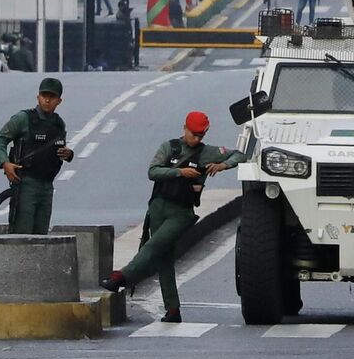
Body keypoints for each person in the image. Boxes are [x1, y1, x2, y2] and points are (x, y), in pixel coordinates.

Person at [102, 111, 246, 322]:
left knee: (154, 246)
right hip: (159, 207)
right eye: (193, 134)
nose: (196, 139)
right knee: (164, 260)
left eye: (200, 135)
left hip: (181, 212)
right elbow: (153, 171)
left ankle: (121, 277)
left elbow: (240, 155)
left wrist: (223, 165)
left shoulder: (207, 152)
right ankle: (173, 310)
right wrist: (179, 173)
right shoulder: (169, 148)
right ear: (184, 128)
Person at [0, 78, 74, 234]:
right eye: (44, 95)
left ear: (59, 100)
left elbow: (59, 149)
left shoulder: (59, 124)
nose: (47, 100)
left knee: (41, 235)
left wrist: (68, 153)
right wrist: (5, 163)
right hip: (25, 184)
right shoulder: (23, 119)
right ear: (38, 97)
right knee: (22, 233)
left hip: (47, 185)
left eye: (52, 97)